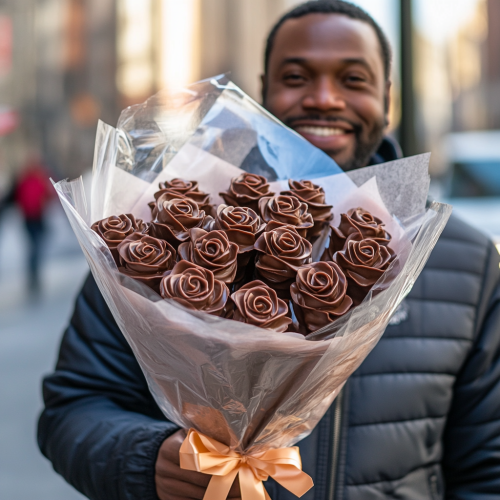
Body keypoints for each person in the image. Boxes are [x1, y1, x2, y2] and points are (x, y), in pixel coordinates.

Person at [38, 1, 500, 499]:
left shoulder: (468, 264)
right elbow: (74, 407)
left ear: (386, 99)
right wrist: (147, 460)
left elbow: (486, 468)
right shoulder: (157, 235)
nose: (324, 98)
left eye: (353, 79)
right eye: (296, 76)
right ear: (263, 92)